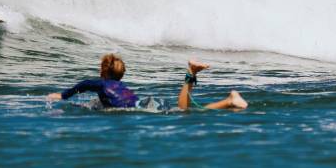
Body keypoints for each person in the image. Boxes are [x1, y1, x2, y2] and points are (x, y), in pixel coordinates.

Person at [46, 53, 248, 111]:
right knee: (185, 111)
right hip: (146, 103)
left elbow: (77, 88)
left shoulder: (99, 84)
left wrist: (59, 96)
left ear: (102, 71)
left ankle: (190, 73)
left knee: (184, 112)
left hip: (144, 107)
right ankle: (230, 100)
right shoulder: (120, 86)